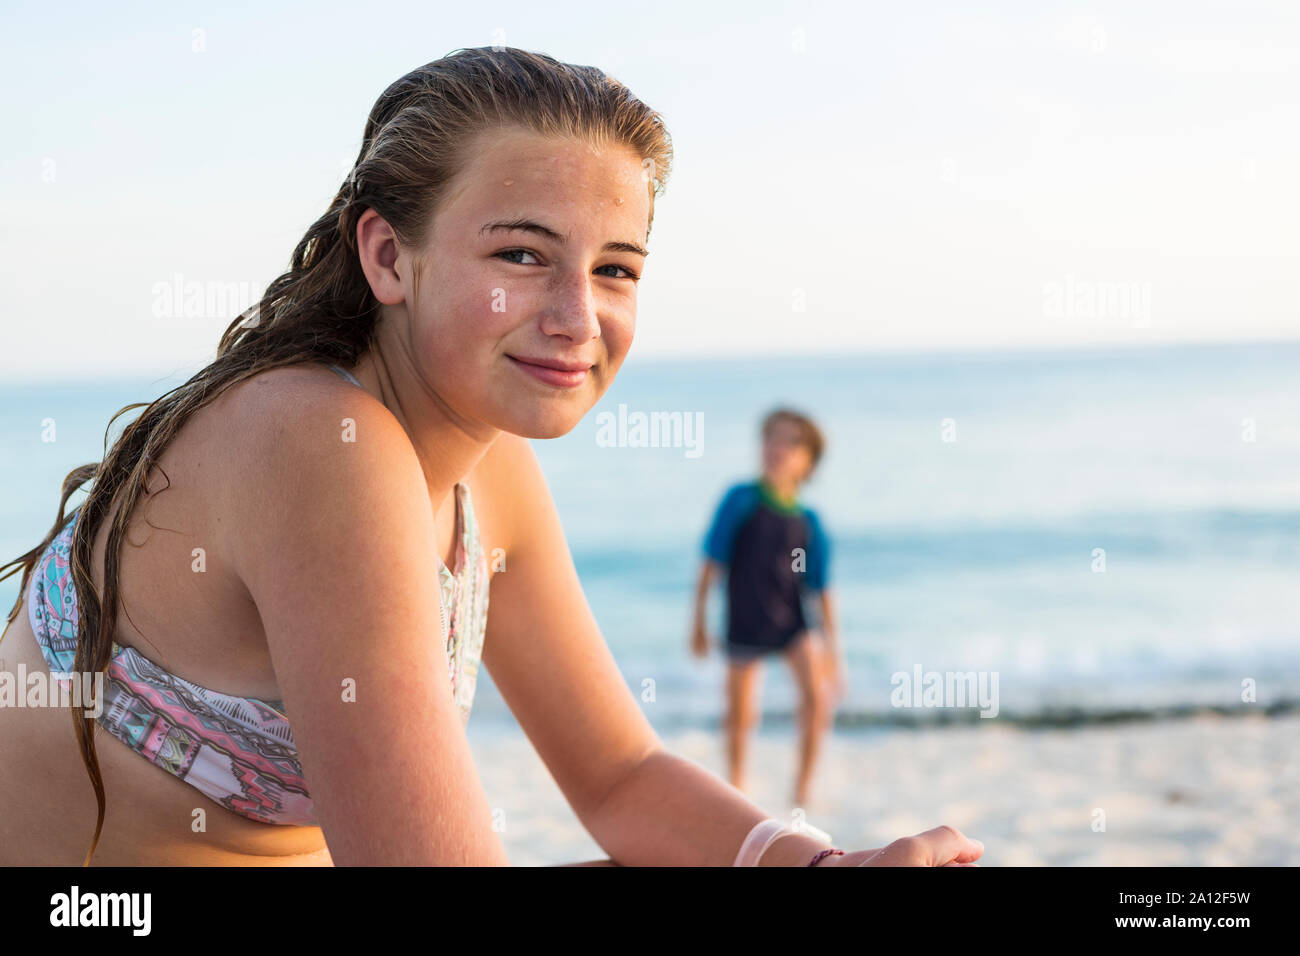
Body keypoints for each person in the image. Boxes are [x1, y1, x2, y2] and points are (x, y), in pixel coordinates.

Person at [0, 47, 981, 867]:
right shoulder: (319, 445)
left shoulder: (489, 470)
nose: (575, 316)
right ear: (387, 256)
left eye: (613, 270)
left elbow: (617, 774)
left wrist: (816, 863)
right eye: (521, 255)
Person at [692, 409, 845, 807]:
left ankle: (802, 790)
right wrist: (698, 621)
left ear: (808, 460)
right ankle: (739, 786)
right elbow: (712, 562)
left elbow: (821, 590)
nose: (777, 447)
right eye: (771, 438)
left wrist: (833, 650)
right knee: (740, 715)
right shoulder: (741, 500)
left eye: (790, 441)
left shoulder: (809, 521)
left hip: (793, 623)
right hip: (745, 620)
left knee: (817, 698)